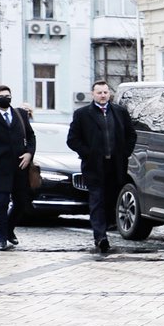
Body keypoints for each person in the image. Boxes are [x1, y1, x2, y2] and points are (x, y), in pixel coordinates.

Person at [67, 80, 137, 253]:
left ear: (109, 94)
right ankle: (100, 237)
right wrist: (87, 153)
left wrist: (124, 153)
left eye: (105, 92)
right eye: (99, 93)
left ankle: (105, 226)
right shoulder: (82, 114)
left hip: (116, 165)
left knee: (111, 199)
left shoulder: (119, 112)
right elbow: (72, 140)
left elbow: (131, 135)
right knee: (97, 200)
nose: (103, 95)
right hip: (94, 166)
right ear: (93, 94)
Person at [0, 85, 35, 251]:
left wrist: (29, 154)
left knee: (21, 203)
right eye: (1, 96)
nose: (5, 98)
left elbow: (31, 136)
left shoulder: (20, 114)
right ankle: (1, 239)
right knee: (1, 203)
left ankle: (9, 229)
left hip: (20, 167)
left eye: (7, 95)